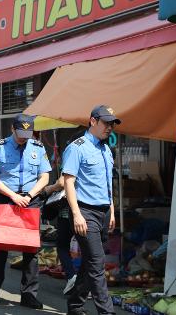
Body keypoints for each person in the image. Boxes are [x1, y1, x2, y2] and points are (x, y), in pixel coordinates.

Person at [0, 113, 50, 309]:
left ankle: (29, 294)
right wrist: (13, 196)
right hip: (7, 197)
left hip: (30, 200)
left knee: (30, 249)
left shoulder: (38, 147)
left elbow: (45, 176)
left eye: (28, 133)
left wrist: (30, 196)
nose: (24, 137)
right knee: (0, 247)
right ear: (12, 129)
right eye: (20, 133)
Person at [62, 105, 119, 315]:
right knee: (97, 263)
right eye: (106, 123)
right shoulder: (77, 147)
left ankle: (75, 304)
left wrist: (111, 210)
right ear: (93, 121)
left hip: (103, 212)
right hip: (85, 212)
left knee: (89, 262)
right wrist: (76, 213)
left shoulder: (105, 149)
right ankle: (107, 312)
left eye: (112, 124)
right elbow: (68, 181)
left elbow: (107, 184)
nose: (110, 128)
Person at [40, 175, 77, 294]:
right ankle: (87, 282)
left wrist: (50, 188)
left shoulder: (72, 158)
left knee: (62, 246)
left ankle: (72, 276)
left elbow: (62, 182)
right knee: (87, 250)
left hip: (67, 214)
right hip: (87, 212)